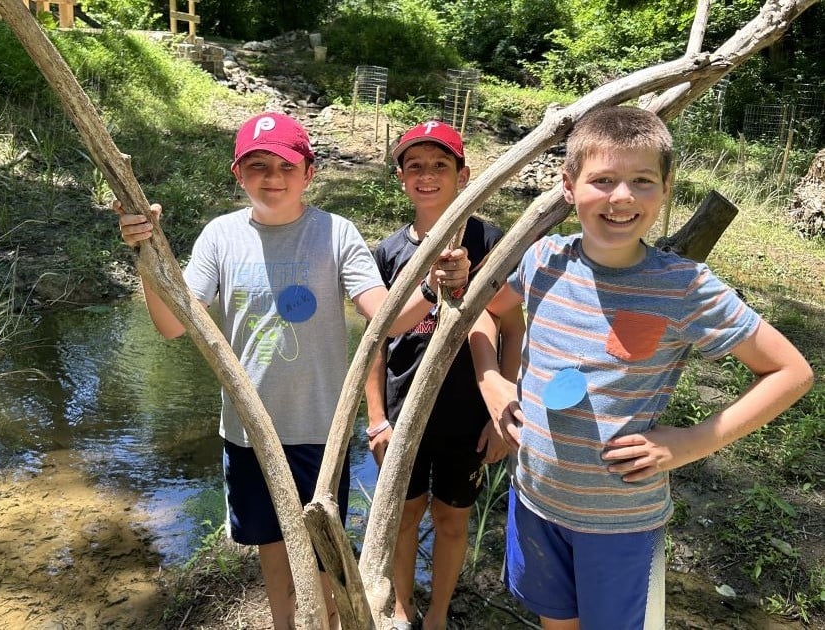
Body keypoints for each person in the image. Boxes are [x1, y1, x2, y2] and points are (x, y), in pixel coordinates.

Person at [116, 112, 472, 630]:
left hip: (319, 435)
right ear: (238, 174)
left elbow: (388, 320)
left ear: (309, 172)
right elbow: (172, 323)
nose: (272, 177)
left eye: (285, 164)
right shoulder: (221, 237)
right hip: (248, 434)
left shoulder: (335, 233)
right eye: (257, 165)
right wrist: (147, 256)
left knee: (325, 561)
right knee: (273, 554)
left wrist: (435, 286)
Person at [468, 105, 813, 630]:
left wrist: (692, 442)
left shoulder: (686, 287)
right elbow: (486, 318)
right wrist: (491, 379)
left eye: (642, 180)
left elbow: (792, 372)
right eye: (602, 180)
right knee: (555, 622)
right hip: (535, 499)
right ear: (568, 185)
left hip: (620, 522)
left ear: (667, 188)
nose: (622, 196)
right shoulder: (544, 259)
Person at [364, 121, 525, 630]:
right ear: (400, 177)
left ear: (464, 175)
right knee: (404, 516)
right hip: (403, 411)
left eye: (440, 165)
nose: (427, 176)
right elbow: (375, 342)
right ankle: (403, 608)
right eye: (415, 166)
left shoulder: (490, 243)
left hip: (467, 415)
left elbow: (511, 323)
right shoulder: (389, 253)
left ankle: (436, 616)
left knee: (453, 519)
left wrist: (505, 411)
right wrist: (375, 419)